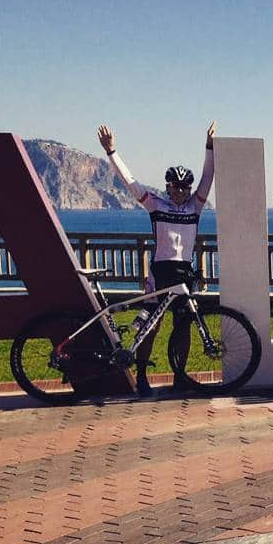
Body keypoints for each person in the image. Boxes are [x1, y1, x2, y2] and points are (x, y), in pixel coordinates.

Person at [97, 121, 216, 395]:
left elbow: (207, 178)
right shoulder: (156, 205)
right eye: (177, 187)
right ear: (168, 186)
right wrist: (112, 152)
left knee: (183, 325)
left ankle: (180, 375)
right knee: (151, 325)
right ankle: (140, 375)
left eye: (186, 187)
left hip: (183, 274)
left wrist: (209, 147)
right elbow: (131, 183)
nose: (183, 191)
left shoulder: (194, 208)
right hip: (159, 274)